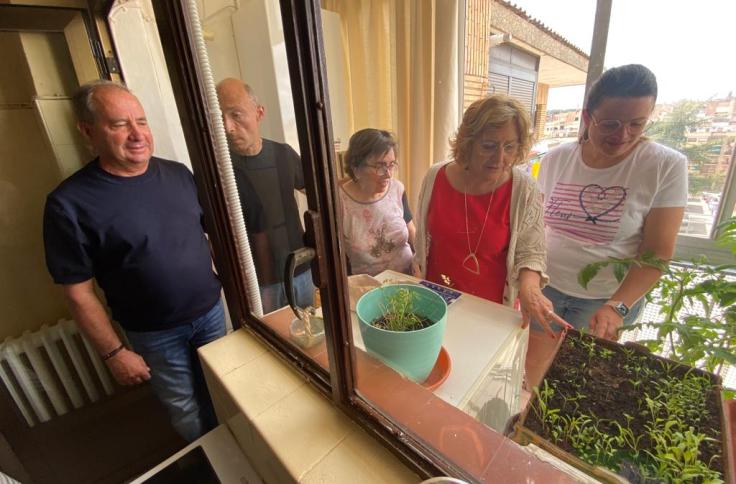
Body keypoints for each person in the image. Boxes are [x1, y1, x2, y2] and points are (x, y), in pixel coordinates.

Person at [43, 80, 225, 442]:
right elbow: (78, 293)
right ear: (88, 130)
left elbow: (210, 237)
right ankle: (216, 466)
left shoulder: (178, 174)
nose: (137, 134)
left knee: (223, 390)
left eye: (141, 121)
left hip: (211, 313)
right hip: (155, 334)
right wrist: (114, 353)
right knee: (185, 406)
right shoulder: (68, 203)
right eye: (119, 124)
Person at [537, 64, 688, 341]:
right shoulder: (556, 159)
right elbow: (535, 226)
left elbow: (657, 252)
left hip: (604, 302)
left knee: (578, 376)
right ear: (587, 117)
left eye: (636, 124)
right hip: (545, 289)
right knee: (530, 368)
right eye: (610, 124)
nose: (622, 136)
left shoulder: (665, 165)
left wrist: (618, 307)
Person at [414, 94, 566, 335]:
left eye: (510, 147)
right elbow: (424, 242)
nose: (500, 159)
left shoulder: (524, 189)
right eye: (488, 146)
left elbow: (531, 251)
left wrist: (530, 288)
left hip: (492, 310)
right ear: (468, 142)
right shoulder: (435, 177)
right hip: (436, 301)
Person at [216, 78, 314, 313]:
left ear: (259, 113)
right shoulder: (218, 167)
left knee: (309, 333)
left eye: (235, 114)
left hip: (299, 268)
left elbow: (317, 195)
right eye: (219, 118)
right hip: (254, 279)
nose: (227, 127)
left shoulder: (283, 154)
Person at [338, 129, 415, 276]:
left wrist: (420, 261)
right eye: (380, 166)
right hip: (368, 287)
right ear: (356, 168)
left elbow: (411, 230)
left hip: (408, 276)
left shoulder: (397, 189)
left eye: (391, 165)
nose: (388, 174)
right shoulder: (340, 202)